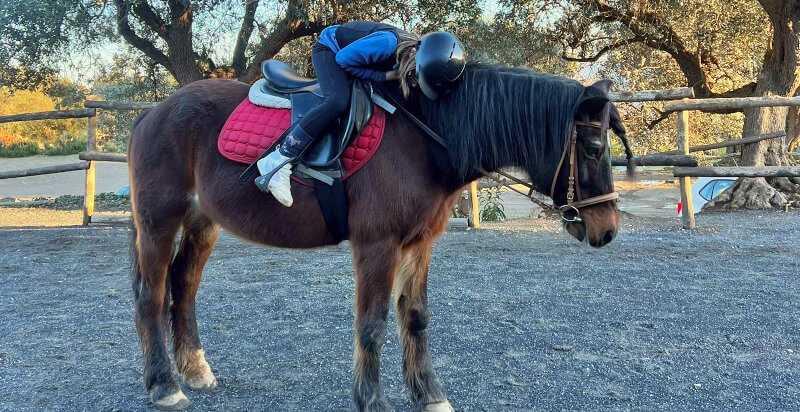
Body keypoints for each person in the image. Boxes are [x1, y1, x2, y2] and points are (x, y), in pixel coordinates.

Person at [256, 21, 466, 206]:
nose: (413, 82)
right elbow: (343, 60)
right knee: (337, 100)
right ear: (413, 54)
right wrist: (385, 75)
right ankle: (280, 157)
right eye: (412, 75)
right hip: (330, 50)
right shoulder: (387, 43)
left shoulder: (414, 53)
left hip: (352, 58)